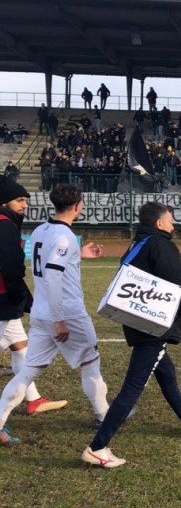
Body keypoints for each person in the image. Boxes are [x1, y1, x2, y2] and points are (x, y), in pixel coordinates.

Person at [82, 201, 181, 468]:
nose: (173, 225)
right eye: (170, 220)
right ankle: (97, 447)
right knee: (132, 387)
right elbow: (180, 278)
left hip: (138, 320)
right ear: (159, 223)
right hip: (153, 326)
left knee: (166, 373)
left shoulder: (136, 244)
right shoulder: (160, 244)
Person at [0, 184, 111, 445]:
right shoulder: (65, 237)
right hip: (66, 313)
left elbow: (48, 262)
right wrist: (59, 318)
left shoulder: (40, 230)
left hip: (40, 312)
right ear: (77, 206)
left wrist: (78, 255)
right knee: (90, 363)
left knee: (28, 371)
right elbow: (52, 274)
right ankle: (104, 415)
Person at [0, 179, 68, 445]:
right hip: (3, 300)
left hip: (6, 299)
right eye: (20, 201)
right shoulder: (4, 226)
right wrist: (19, 296)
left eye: (26, 200)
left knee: (21, 348)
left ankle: (34, 399)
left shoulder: (7, 223)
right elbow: (11, 266)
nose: (25, 205)